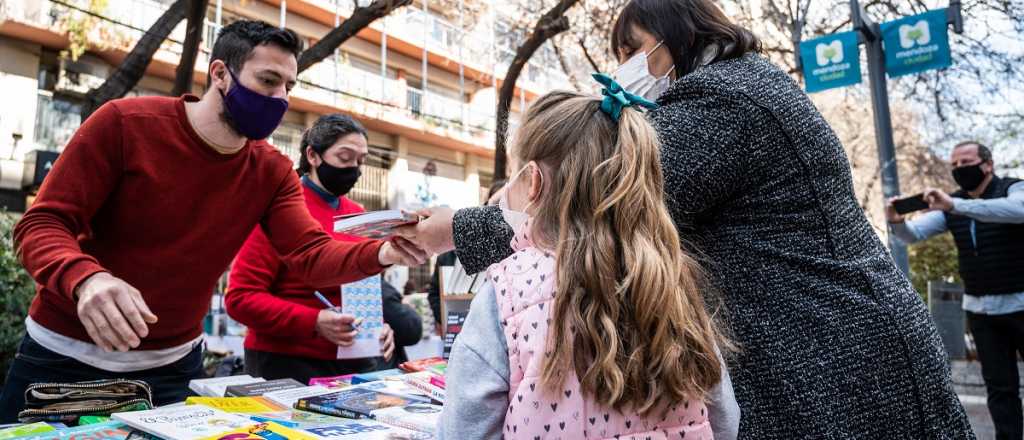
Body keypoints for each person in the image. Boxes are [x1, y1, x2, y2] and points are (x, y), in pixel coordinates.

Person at [399, 0, 974, 437]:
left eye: (634, 46)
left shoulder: (722, 101)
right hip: (837, 337)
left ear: (678, 33)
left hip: (831, 353)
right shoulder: (748, 85)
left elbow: (596, 202)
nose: (626, 67)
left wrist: (454, 228)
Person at [0, 20, 425, 421]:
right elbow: (42, 223)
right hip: (62, 357)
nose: (280, 98)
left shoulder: (271, 171)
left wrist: (386, 250)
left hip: (173, 368)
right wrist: (85, 279)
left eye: (289, 86)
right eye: (268, 80)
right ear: (220, 73)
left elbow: (309, 253)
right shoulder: (125, 125)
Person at [440, 87, 738, 440]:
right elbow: (724, 420)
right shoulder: (671, 279)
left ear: (532, 181)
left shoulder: (506, 291)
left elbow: (464, 429)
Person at [226, 114, 423, 383]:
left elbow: (361, 288)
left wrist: (377, 326)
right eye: (345, 157)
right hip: (285, 364)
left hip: (352, 363)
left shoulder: (357, 215)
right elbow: (241, 299)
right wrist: (314, 321)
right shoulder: (280, 208)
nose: (354, 168)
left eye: (361, 160)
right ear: (313, 155)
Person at [887, 140, 1024, 440]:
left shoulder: (1013, 188)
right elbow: (914, 234)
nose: (960, 169)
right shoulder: (951, 205)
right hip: (982, 313)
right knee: (1001, 391)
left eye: (966, 162)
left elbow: (1017, 211)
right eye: (955, 165)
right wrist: (896, 223)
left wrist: (955, 205)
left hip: (1021, 305)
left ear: (988, 164)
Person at [426, 180, 505, 335]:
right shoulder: (451, 252)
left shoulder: (518, 247)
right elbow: (434, 294)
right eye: (494, 207)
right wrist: (449, 321)